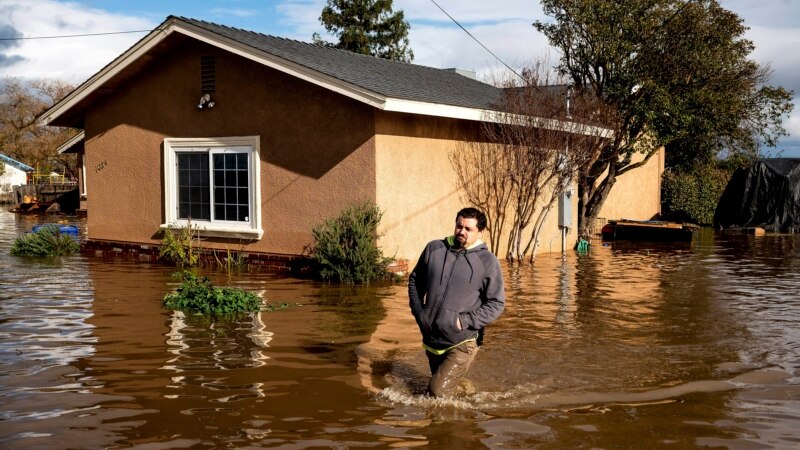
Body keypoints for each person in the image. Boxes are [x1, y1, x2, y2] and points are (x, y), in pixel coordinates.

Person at [408, 207, 506, 397]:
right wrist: (419, 312)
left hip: (463, 340)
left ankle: (449, 425)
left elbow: (496, 303)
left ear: (480, 232)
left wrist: (464, 322)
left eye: (468, 229)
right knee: (440, 388)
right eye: (459, 226)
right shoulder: (434, 248)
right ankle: (462, 396)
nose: (462, 231)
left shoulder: (488, 261)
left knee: (436, 392)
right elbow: (415, 280)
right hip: (431, 339)